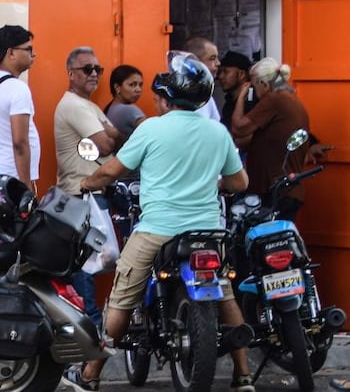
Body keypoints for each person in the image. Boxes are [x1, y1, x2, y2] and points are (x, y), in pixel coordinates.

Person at [62, 51, 255, 392]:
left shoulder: (151, 129)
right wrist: (215, 181)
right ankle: (243, 376)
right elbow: (240, 183)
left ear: (170, 97)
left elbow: (112, 170)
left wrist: (86, 184)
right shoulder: (217, 132)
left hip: (158, 228)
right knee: (224, 294)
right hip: (208, 231)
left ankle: (90, 374)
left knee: (122, 297)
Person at [54, 46, 122, 326]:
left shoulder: (89, 105)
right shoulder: (74, 105)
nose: (94, 74)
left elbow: (115, 136)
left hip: (92, 195)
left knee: (95, 261)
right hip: (82, 197)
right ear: (71, 74)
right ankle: (89, 327)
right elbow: (108, 142)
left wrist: (106, 136)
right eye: (87, 69)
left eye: (98, 69)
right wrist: (105, 136)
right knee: (86, 266)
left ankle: (89, 327)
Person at [230, 58, 313, 222]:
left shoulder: (274, 100)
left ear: (264, 84)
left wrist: (240, 97)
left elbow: (239, 128)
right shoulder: (291, 101)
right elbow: (248, 141)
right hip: (286, 189)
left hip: (274, 191)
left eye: (253, 86)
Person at [0, 25, 39, 191]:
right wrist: (25, 187)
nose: (34, 55)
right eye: (28, 50)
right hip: (11, 180)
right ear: (11, 53)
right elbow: (20, 142)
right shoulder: (18, 88)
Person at [103, 64, 146, 236]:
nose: (138, 90)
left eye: (140, 85)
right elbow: (154, 131)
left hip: (119, 182)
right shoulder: (129, 110)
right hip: (132, 183)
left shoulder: (111, 108)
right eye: (132, 84)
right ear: (117, 87)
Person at [183, 36, 222, 121]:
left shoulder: (204, 93)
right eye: (212, 58)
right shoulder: (190, 94)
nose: (218, 63)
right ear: (195, 62)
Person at [218, 51, 256, 135]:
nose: (220, 76)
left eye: (226, 72)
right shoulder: (229, 101)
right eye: (220, 72)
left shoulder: (252, 99)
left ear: (241, 74)